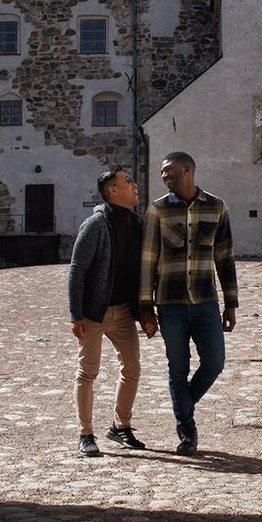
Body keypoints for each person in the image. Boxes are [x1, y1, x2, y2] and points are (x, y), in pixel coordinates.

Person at [140, 151, 238, 455]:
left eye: (169, 171)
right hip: (169, 305)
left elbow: (225, 257)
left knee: (215, 363)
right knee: (177, 368)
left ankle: (183, 406)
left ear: (187, 170)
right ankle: (187, 428)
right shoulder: (158, 210)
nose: (164, 176)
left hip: (206, 302)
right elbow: (147, 261)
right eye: (161, 172)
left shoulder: (217, 207)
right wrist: (145, 307)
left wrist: (231, 303)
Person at [67, 167, 156, 457]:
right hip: (94, 313)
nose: (134, 185)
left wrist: (145, 311)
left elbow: (142, 271)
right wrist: (75, 314)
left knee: (132, 369)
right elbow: (77, 270)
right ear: (113, 191)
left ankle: (120, 426)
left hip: (124, 312)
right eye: (127, 181)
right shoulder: (95, 224)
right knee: (87, 372)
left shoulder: (137, 224)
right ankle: (85, 433)